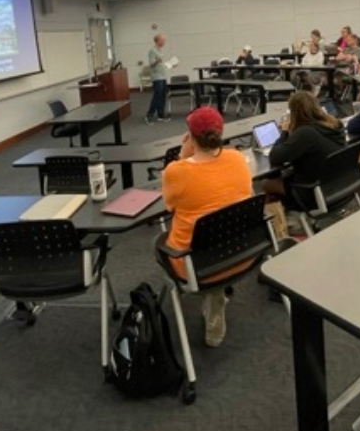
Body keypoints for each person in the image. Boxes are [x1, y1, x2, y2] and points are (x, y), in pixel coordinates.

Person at [161, 107, 252, 347]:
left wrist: (182, 157)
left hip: (194, 265)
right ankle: (215, 296)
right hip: (241, 253)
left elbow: (169, 206)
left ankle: (213, 296)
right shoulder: (237, 158)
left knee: (160, 242)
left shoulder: (176, 171)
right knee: (215, 227)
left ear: (190, 137)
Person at [264, 92, 347, 210]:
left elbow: (275, 156)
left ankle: (276, 224)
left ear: (294, 112)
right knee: (288, 174)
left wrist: (285, 131)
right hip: (338, 184)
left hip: (313, 192)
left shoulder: (306, 133)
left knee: (266, 184)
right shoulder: (335, 125)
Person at [145, 33, 171, 124]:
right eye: (162, 40)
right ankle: (149, 115)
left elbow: (161, 64)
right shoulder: (152, 51)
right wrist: (157, 60)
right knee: (157, 96)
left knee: (162, 96)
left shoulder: (160, 50)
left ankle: (161, 115)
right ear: (157, 41)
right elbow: (151, 63)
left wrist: (171, 65)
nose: (164, 42)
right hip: (157, 77)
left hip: (163, 76)